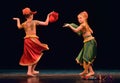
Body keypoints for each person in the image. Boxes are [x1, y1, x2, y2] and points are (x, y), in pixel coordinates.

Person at [13, 7, 52, 76]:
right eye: (32, 14)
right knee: (34, 55)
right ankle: (29, 72)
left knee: (33, 55)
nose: (33, 15)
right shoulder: (34, 22)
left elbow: (18, 27)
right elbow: (46, 23)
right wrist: (48, 16)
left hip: (27, 40)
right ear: (31, 15)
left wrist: (18, 20)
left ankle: (32, 70)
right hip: (33, 40)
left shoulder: (24, 24)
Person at [63, 11, 97, 77]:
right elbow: (92, 31)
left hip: (90, 42)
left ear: (85, 18)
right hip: (88, 41)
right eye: (78, 18)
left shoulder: (83, 24)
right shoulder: (86, 24)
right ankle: (86, 71)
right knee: (84, 56)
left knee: (86, 57)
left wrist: (70, 25)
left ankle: (91, 71)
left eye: (81, 18)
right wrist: (86, 31)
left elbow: (76, 30)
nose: (79, 20)